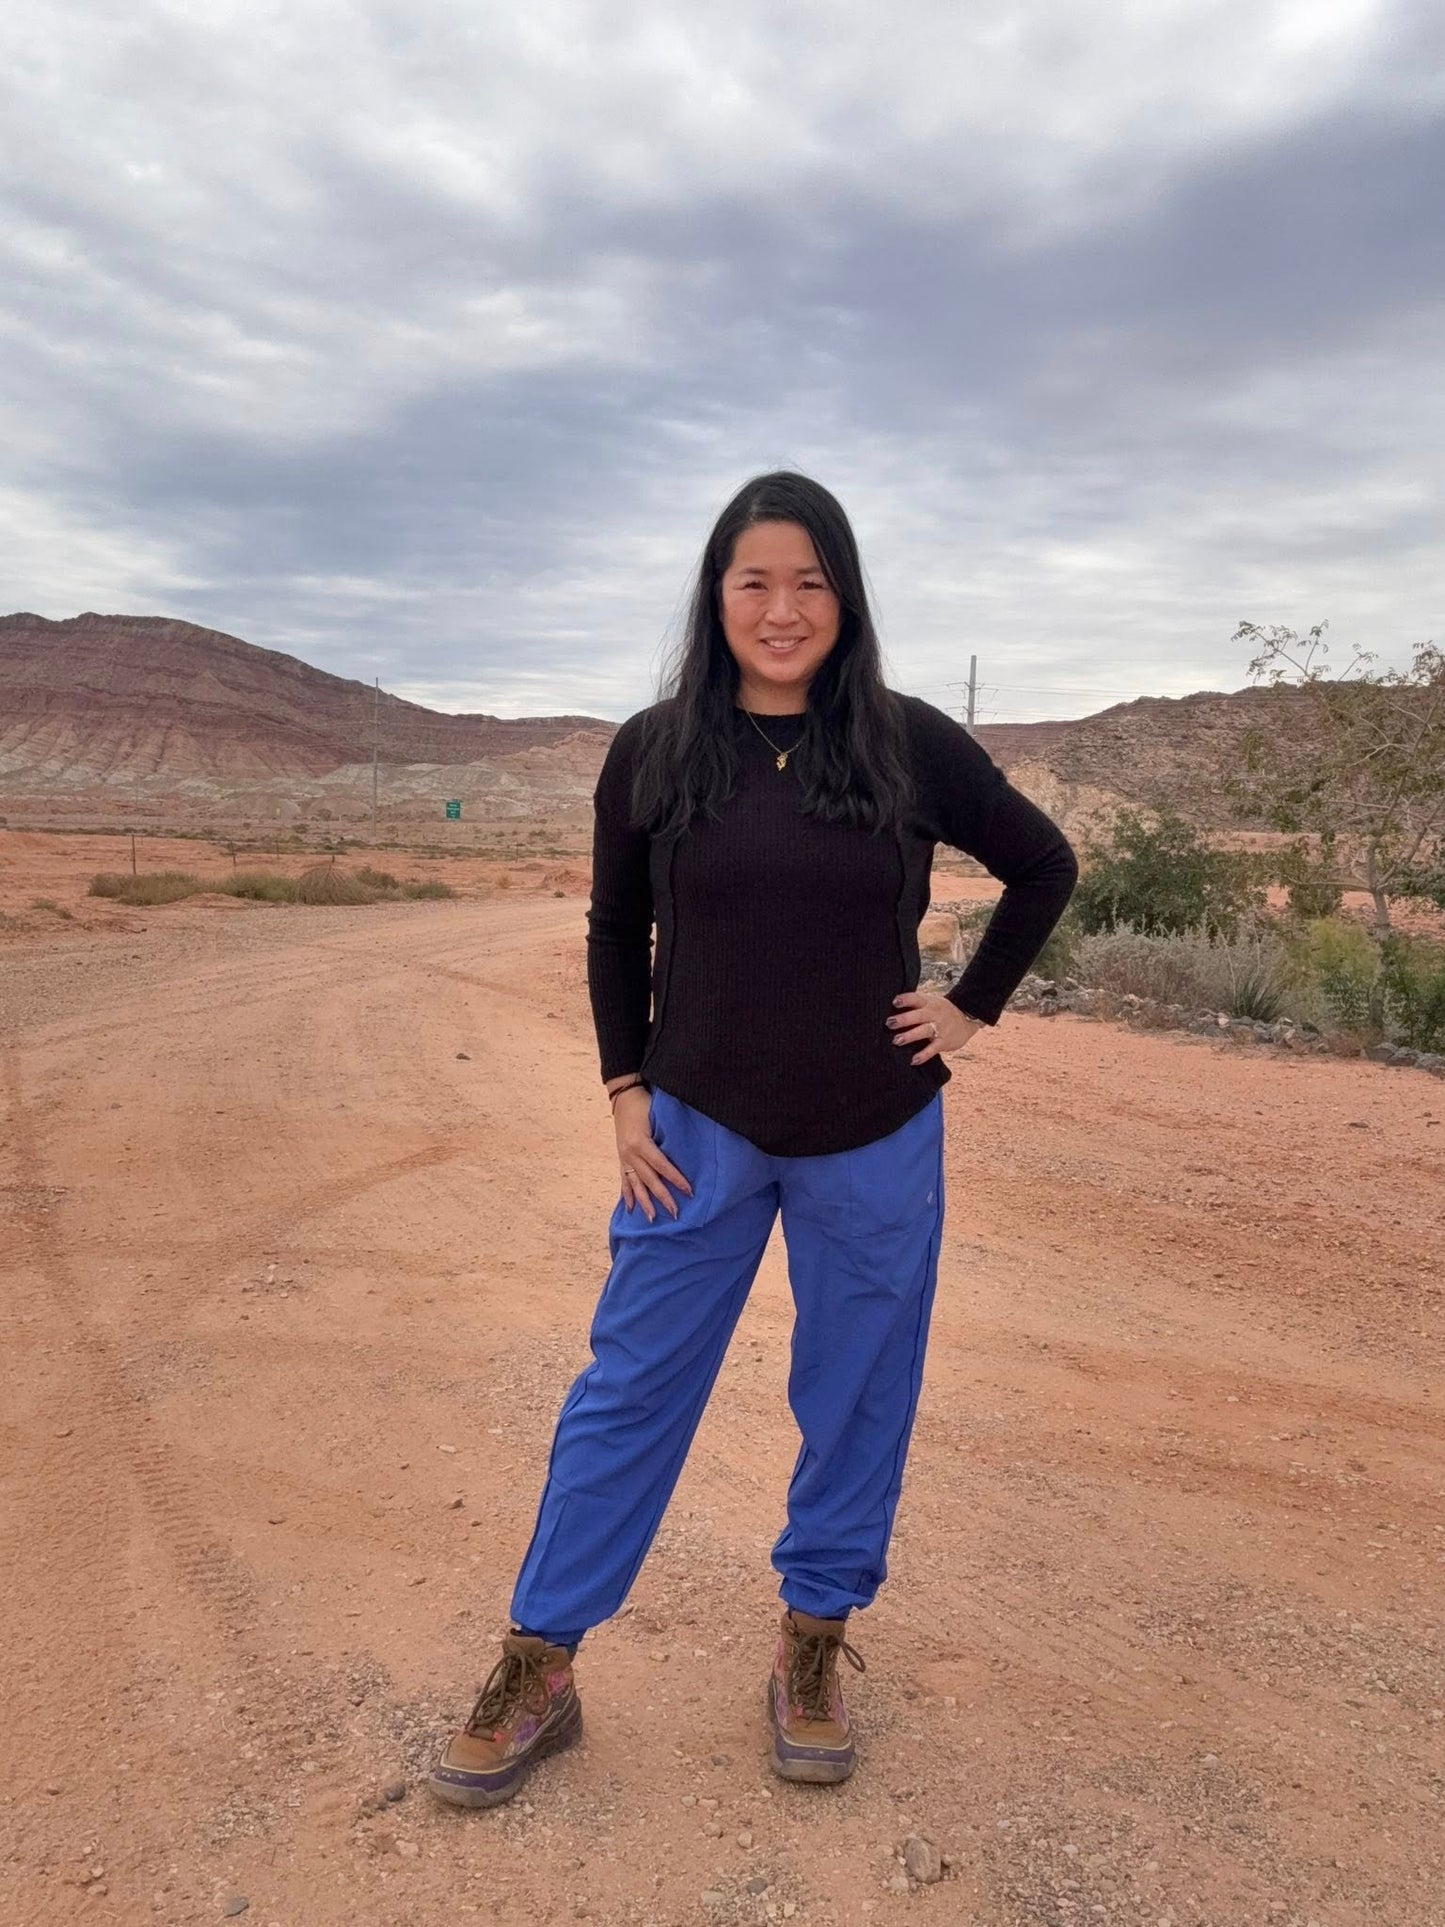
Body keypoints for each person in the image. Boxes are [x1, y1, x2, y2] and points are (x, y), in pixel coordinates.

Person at [428, 471, 1078, 1810]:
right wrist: (622, 1093)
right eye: (753, 581)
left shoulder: (905, 743)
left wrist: (965, 1013)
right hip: (693, 1131)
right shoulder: (656, 748)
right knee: (626, 1393)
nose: (781, 610)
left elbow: (1042, 864)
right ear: (715, 595)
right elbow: (615, 930)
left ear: (843, 596)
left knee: (856, 1397)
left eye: (809, 582)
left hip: (873, 1131)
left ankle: (812, 1649)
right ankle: (538, 1659)